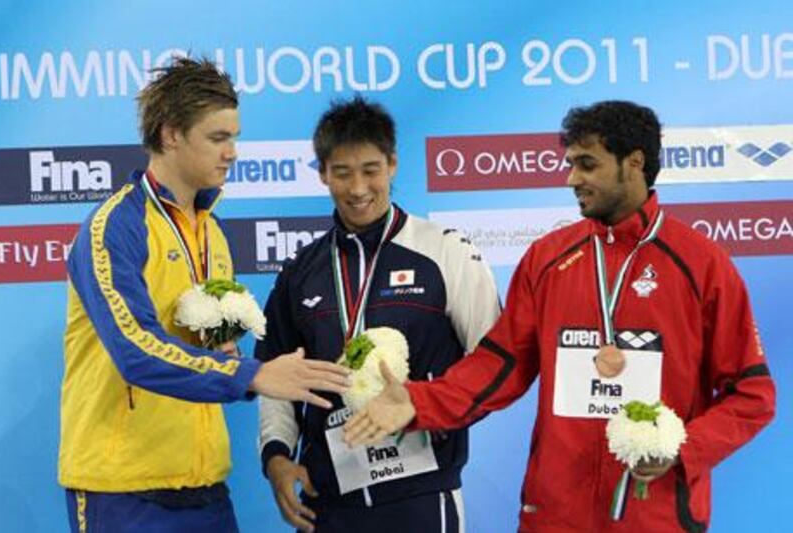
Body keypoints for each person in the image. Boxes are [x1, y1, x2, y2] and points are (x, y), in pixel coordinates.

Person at [345, 100, 776, 532]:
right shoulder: (548, 260)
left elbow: (752, 394)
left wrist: (683, 448)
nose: (572, 179)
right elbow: (499, 366)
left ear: (635, 163)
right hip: (555, 514)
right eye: (570, 164)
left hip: (658, 515)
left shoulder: (701, 265)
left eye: (587, 165)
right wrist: (420, 401)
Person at [58, 56, 349, 533]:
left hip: (206, 488)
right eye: (218, 138)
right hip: (123, 492)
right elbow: (135, 351)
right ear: (171, 134)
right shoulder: (116, 226)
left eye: (233, 137)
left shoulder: (211, 231)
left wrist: (228, 352)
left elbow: (205, 348)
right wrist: (252, 374)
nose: (232, 152)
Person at [256, 96, 500, 533]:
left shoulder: (445, 250)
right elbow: (274, 376)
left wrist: (422, 406)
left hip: (421, 495)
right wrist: (276, 456)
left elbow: (492, 363)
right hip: (327, 503)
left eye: (370, 170)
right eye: (342, 173)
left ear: (392, 164)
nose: (357, 188)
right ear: (322, 173)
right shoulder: (300, 272)